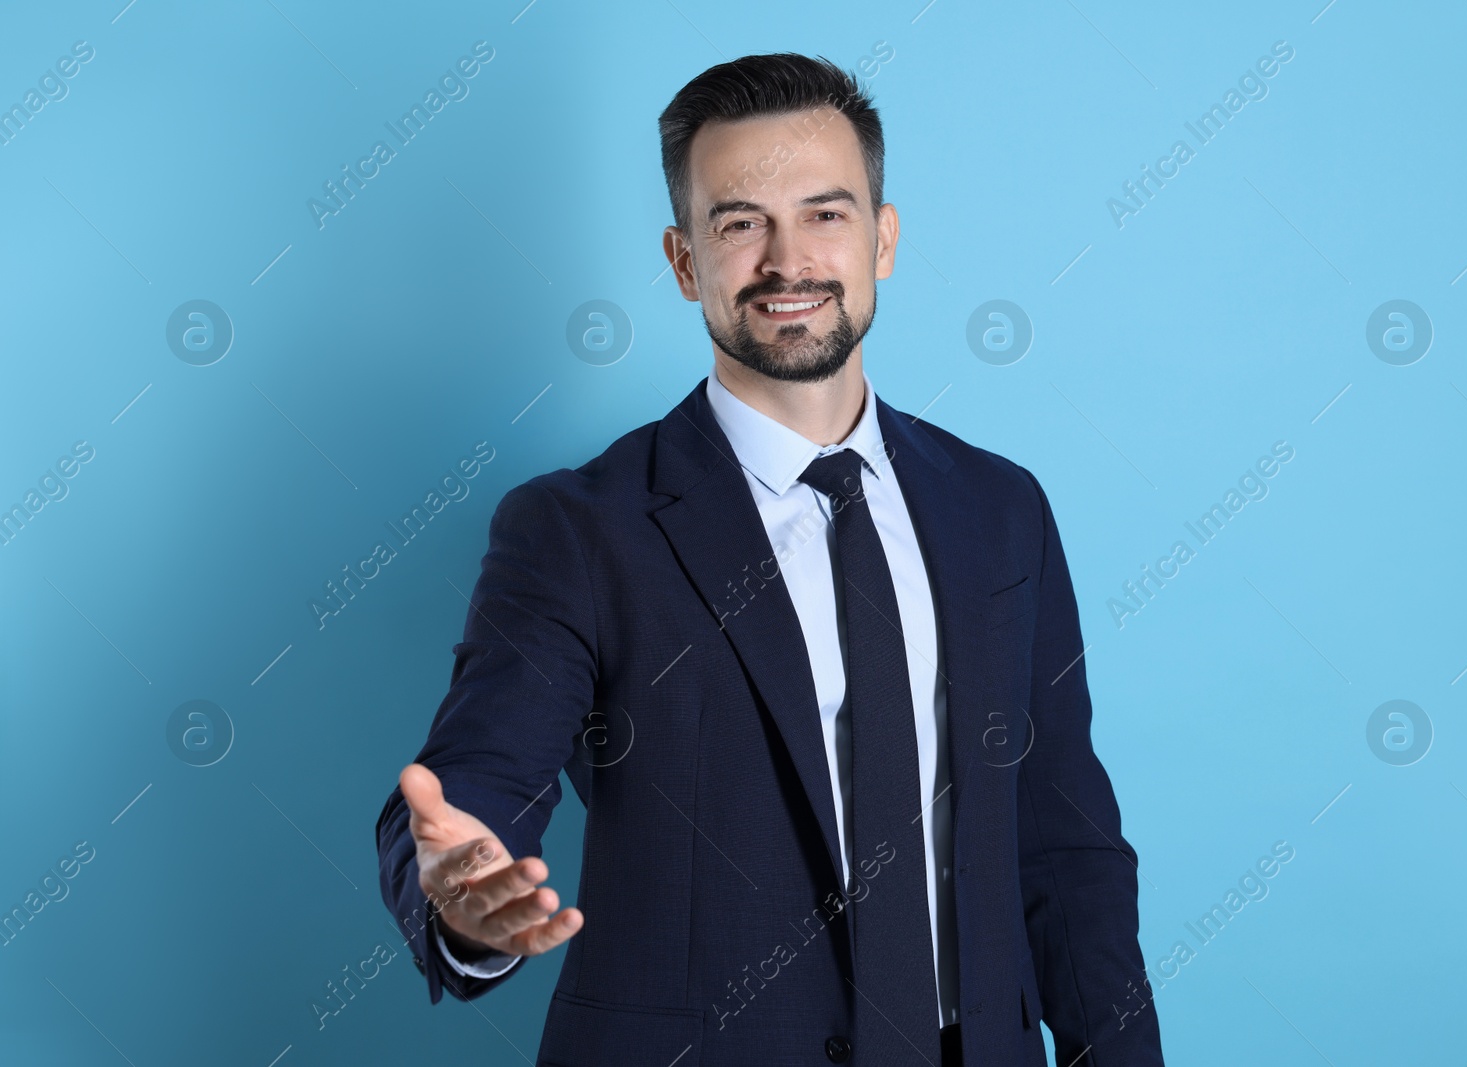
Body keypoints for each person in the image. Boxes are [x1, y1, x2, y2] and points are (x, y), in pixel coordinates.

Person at [375, 52, 1165, 1066]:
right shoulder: (577, 529)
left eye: (825, 214)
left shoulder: (998, 507)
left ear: (882, 239)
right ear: (683, 260)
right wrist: (463, 892)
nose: (787, 261)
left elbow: (1067, 844)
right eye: (740, 221)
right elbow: (473, 779)